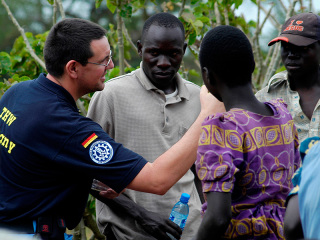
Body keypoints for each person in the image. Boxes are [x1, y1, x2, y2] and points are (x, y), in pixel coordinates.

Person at [0, 18, 219, 240]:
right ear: (73, 68)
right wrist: (208, 115)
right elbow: (157, 180)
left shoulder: (17, 93)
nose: (111, 66)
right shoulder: (68, 127)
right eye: (103, 61)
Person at [87, 12, 209, 240]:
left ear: (183, 50)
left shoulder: (199, 98)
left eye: (173, 53)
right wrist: (140, 215)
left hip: (189, 233)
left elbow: (200, 171)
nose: (163, 63)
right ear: (140, 49)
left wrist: (207, 217)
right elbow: (88, 170)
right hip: (127, 234)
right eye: (154, 53)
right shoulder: (111, 96)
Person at [194, 25, 301, 240]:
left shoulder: (223, 128)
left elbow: (217, 218)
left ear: (207, 77)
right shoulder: (282, 116)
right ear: (252, 66)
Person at [255, 12, 320, 239]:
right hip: (277, 219)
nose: (291, 53)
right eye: (285, 46)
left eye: (302, 47)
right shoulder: (266, 98)